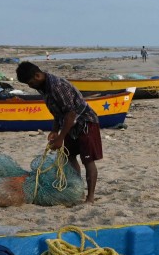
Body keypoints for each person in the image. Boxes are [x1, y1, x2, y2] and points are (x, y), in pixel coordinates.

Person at [16, 62, 103, 203]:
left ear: (37, 76)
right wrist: (54, 131)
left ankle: (90, 197)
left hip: (85, 122)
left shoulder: (57, 86)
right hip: (68, 124)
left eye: (30, 83)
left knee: (88, 160)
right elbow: (58, 112)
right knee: (70, 157)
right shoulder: (43, 88)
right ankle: (78, 191)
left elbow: (70, 114)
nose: (30, 86)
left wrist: (61, 138)